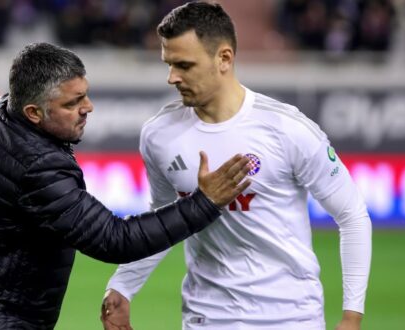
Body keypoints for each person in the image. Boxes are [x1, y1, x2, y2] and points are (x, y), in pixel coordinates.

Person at [0, 42, 254, 330]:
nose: (88, 107)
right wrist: (204, 202)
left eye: (85, 94)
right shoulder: (36, 166)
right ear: (33, 112)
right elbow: (115, 240)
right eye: (73, 103)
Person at [101, 2, 372, 330]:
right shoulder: (159, 135)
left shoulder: (287, 128)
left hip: (290, 319)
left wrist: (351, 316)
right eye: (169, 64)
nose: (172, 77)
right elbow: (162, 218)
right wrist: (122, 286)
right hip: (206, 319)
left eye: (184, 65)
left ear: (224, 59)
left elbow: (352, 214)